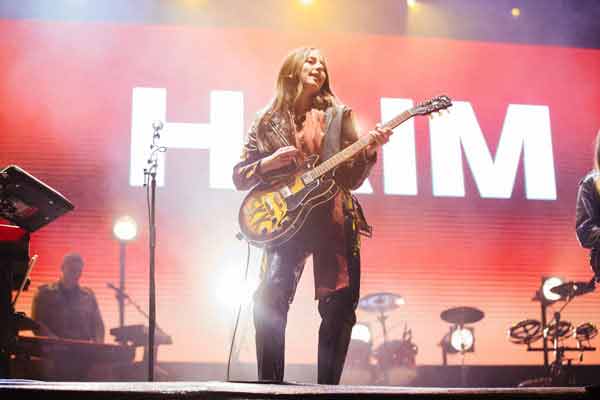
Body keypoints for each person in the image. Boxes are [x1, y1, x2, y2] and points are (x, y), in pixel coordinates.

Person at [232, 47, 392, 384]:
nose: (319, 67)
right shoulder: (266, 120)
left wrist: (369, 153)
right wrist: (269, 163)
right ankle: (270, 385)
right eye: (311, 60)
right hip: (286, 218)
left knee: (340, 304)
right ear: (291, 68)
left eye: (323, 64)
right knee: (270, 296)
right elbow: (239, 176)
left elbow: (350, 179)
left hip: (333, 216)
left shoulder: (339, 115)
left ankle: (328, 390)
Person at [31, 252, 105, 343]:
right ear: (62, 268)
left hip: (83, 350)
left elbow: (98, 325)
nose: (76, 274)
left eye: (79, 271)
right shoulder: (44, 294)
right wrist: (57, 344)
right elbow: (37, 324)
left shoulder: (88, 296)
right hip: (53, 352)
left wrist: (98, 347)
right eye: (72, 270)